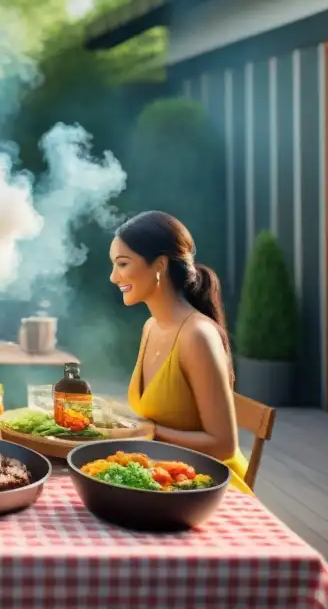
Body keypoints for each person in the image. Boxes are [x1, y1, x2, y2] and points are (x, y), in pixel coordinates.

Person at [109, 211, 252, 495]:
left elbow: (224, 445)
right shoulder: (151, 326)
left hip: (209, 487)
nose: (114, 277)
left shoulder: (197, 335)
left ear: (159, 265)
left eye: (123, 264)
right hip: (164, 477)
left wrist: (145, 432)